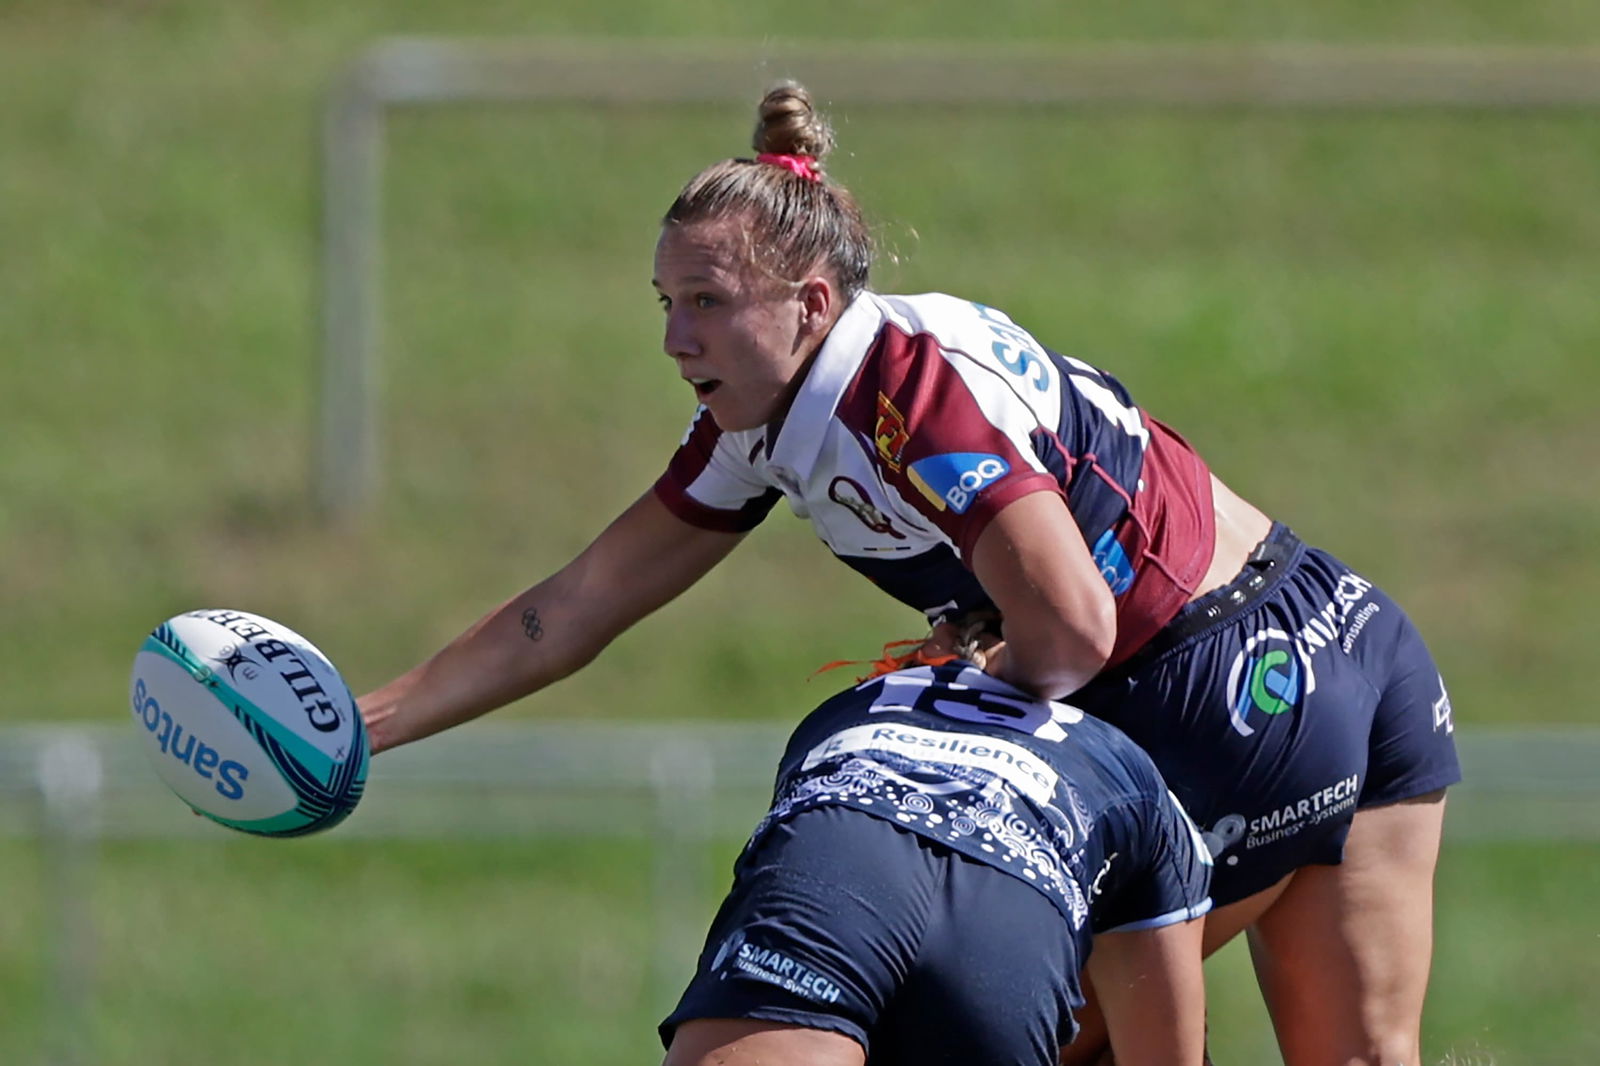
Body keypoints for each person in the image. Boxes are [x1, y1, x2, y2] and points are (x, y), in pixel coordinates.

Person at [358, 82, 1461, 1065]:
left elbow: (1073, 629)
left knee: (995, 1030)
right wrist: (363, 731)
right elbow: (576, 605)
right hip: (1352, 636)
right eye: (666, 303)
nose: (674, 341)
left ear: (811, 305)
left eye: (708, 303)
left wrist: (957, 685)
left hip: (1214, 686)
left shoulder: (905, 396)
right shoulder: (770, 415)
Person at [660, 625, 1213, 1066]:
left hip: (842, 852)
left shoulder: (849, 704)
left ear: (934, 646)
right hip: (1016, 904)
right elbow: (1166, 1045)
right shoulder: (1130, 765)